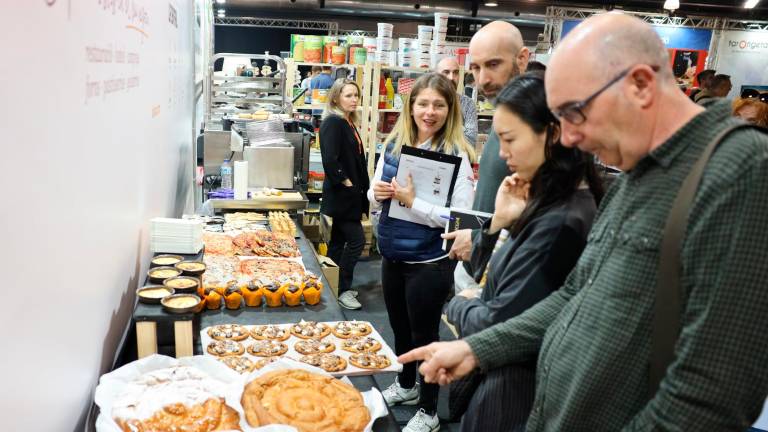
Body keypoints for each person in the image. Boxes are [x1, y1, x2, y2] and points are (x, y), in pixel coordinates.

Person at [400, 12, 768, 431]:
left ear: (641, 85)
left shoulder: (742, 171)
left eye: (575, 113)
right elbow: (573, 296)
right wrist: (479, 349)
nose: (569, 138)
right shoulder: (638, 172)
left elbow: (711, 393)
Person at [444, 73, 603, 431]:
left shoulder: (562, 221)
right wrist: (502, 221)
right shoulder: (548, 203)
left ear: (554, 133)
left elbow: (499, 327)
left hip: (516, 394)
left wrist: (459, 305)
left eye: (510, 139)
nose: (502, 153)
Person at [368, 73, 476, 432]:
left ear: (450, 110)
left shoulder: (456, 154)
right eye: (423, 103)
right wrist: (378, 193)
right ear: (411, 106)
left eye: (439, 105)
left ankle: (429, 410)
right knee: (399, 328)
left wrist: (417, 204)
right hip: (392, 253)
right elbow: (373, 190)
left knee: (426, 335)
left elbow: (461, 217)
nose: (429, 112)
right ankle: (406, 384)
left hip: (429, 261)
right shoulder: (394, 143)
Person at [441, 20, 530, 292]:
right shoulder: (508, 113)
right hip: (476, 262)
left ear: (522, 59)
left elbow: (540, 214)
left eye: (493, 65)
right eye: (476, 68)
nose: (482, 80)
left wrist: (481, 238)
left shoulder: (532, 120)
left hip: (500, 275)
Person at [319, 79, 369, 310]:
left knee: (338, 242)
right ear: (336, 97)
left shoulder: (348, 122)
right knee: (357, 241)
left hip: (350, 194)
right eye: (348, 95)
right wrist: (346, 182)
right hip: (343, 195)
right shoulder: (333, 122)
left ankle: (329, 284)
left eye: (356, 95)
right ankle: (342, 289)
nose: (354, 99)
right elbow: (329, 158)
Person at [435, 56, 478, 146]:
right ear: (436, 75)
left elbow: (471, 141)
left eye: (455, 73)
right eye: (446, 72)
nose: (451, 77)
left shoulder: (468, 104)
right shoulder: (428, 101)